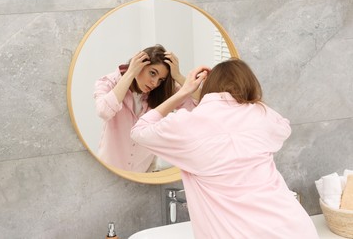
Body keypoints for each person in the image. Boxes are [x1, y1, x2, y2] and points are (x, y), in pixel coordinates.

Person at [131, 58, 319, 238]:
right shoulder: (260, 114)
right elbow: (283, 127)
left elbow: (139, 131)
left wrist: (184, 91)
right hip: (295, 228)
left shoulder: (189, 123)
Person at [94, 44, 197, 172]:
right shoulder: (108, 82)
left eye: (160, 79)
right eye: (152, 73)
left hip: (144, 174)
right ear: (140, 65)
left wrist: (178, 76)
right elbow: (104, 111)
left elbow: (199, 105)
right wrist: (131, 72)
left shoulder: (162, 91)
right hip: (109, 172)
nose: (155, 83)